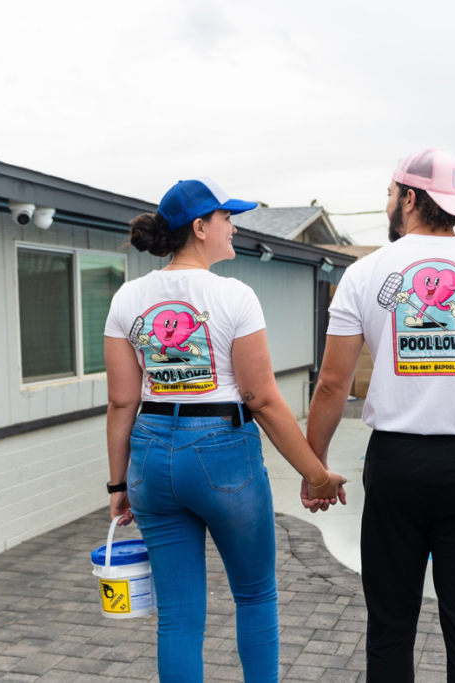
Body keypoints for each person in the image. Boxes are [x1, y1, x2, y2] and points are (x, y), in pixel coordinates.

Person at [305, 149, 455, 682]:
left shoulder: (365, 273)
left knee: (390, 627)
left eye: (391, 195)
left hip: (397, 466)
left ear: (411, 198)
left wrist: (315, 468)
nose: (388, 205)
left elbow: (332, 384)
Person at [104, 177, 346, 683]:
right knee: (255, 595)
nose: (233, 226)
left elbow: (122, 399)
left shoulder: (128, 297)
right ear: (199, 227)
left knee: (178, 615)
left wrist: (119, 484)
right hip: (222, 454)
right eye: (226, 218)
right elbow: (260, 398)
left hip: (150, 455)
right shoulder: (234, 295)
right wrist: (316, 474)